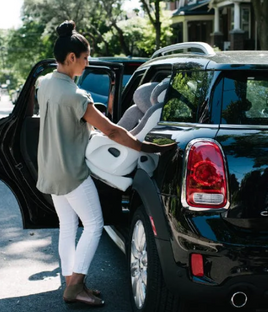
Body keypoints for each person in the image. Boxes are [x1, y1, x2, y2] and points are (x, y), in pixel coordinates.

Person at [36, 20, 174, 306]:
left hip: (49, 168)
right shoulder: (77, 96)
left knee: (67, 225)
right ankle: (76, 287)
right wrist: (148, 146)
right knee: (95, 224)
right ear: (72, 58)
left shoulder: (44, 84)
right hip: (72, 172)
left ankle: (71, 283)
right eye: (85, 59)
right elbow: (111, 130)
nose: (86, 64)